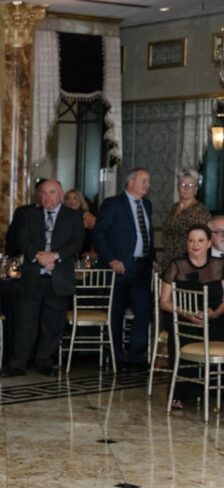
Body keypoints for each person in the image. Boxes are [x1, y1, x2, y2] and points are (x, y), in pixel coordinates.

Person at [3, 180, 84, 377]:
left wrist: (54, 256)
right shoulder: (29, 214)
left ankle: (44, 361)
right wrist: (39, 256)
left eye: (52, 192)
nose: (47, 197)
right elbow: (21, 240)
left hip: (59, 277)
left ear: (61, 194)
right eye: (44, 193)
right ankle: (18, 364)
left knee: (53, 324)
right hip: (33, 276)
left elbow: (77, 242)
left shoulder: (73, 216)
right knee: (25, 322)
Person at [93, 167, 155, 370]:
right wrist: (111, 260)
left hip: (142, 268)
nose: (147, 185)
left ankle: (136, 357)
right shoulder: (113, 204)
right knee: (116, 313)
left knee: (143, 312)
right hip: (118, 268)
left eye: (148, 181)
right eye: (143, 180)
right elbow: (99, 234)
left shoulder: (147, 204)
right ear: (130, 182)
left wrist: (152, 259)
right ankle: (116, 356)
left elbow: (147, 235)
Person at [158, 224, 224, 409]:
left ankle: (216, 390)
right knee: (182, 334)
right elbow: (164, 301)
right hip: (182, 319)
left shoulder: (220, 265)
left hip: (214, 318)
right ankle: (180, 393)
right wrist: (186, 314)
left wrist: (215, 313)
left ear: (209, 243)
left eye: (201, 241)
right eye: (191, 241)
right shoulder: (176, 265)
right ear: (186, 243)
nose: (195, 245)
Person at [160, 171, 210, 265]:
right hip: (169, 259)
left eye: (190, 185)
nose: (186, 187)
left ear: (196, 190)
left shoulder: (200, 210)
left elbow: (202, 240)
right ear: (178, 188)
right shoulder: (174, 208)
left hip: (187, 262)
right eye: (183, 184)